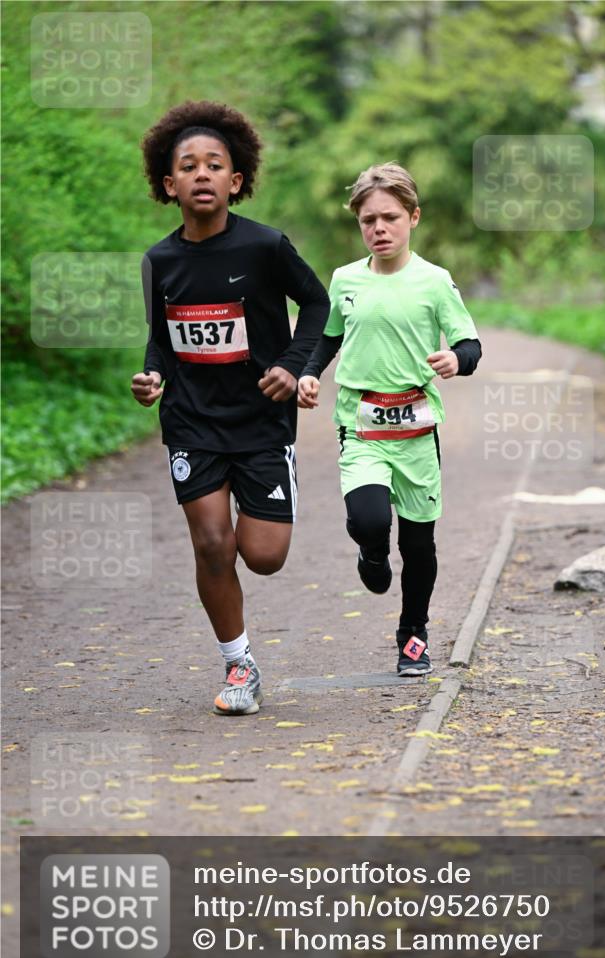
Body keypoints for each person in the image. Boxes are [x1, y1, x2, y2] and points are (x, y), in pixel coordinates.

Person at [131, 101, 329, 714]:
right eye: (187, 166)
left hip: (263, 422)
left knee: (263, 557)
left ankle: (273, 493)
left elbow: (321, 309)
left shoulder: (266, 247)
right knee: (213, 545)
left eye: (214, 165)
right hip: (192, 423)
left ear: (236, 180)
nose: (202, 174)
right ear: (170, 185)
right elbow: (161, 337)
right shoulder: (160, 261)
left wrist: (292, 367)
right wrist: (153, 375)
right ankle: (239, 665)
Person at [298, 163, 481, 676]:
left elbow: (470, 343)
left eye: (390, 218)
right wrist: (310, 374)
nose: (379, 228)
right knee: (371, 520)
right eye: (368, 220)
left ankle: (413, 634)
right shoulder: (345, 280)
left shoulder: (435, 281)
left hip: (418, 428)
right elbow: (330, 336)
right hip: (361, 422)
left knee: (419, 542)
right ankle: (372, 554)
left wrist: (456, 360)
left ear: (413, 218)